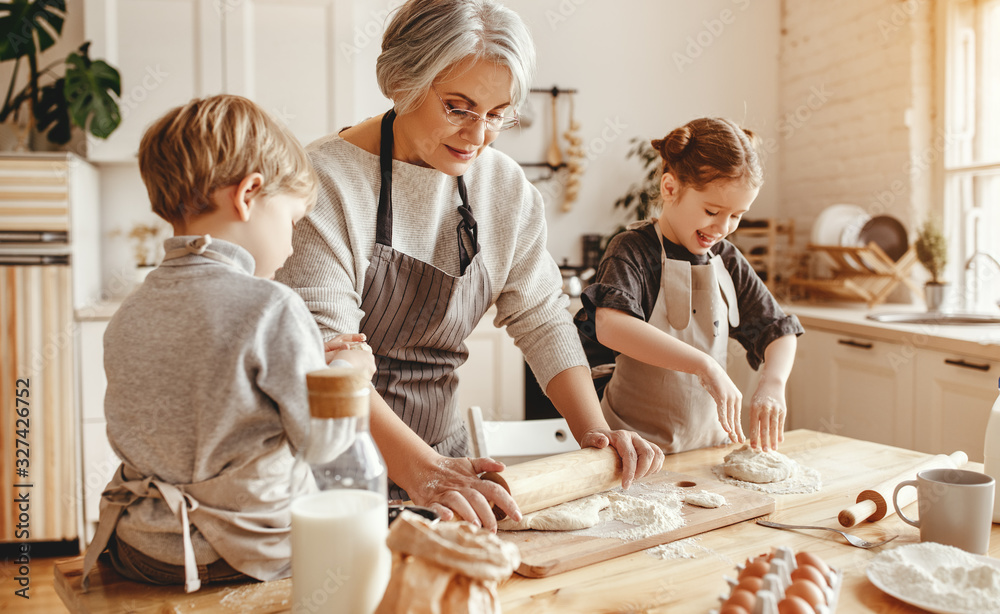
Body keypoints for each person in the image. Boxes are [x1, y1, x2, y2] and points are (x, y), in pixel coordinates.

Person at [275, 0, 663, 530]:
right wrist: (422, 471)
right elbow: (328, 362)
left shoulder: (502, 187)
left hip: (447, 464)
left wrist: (595, 433)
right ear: (404, 80)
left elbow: (543, 316)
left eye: (498, 114)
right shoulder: (323, 184)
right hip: (336, 478)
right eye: (458, 107)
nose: (478, 135)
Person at [80, 95, 374, 592]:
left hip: (142, 549)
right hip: (246, 550)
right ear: (248, 195)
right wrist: (348, 372)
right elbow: (322, 445)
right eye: (293, 221)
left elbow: (208, 394)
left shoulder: (131, 311)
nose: (292, 243)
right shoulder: (271, 305)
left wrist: (303, 365)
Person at [575, 118, 803, 455]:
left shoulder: (725, 258)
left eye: (737, 216)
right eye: (712, 210)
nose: (723, 228)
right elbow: (612, 326)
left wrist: (773, 383)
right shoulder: (632, 250)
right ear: (670, 188)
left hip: (708, 449)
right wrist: (704, 365)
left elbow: (778, 330)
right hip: (629, 453)